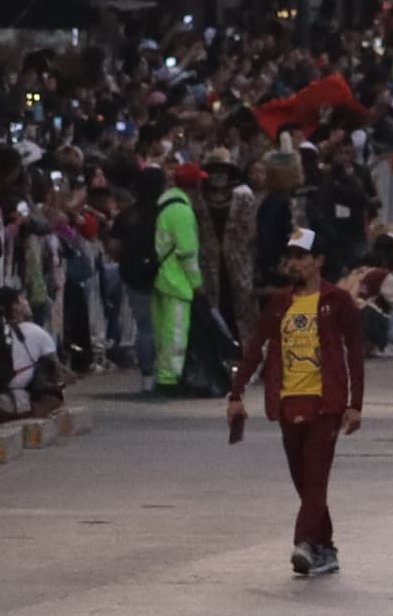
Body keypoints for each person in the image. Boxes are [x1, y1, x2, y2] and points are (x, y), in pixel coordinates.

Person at [232, 236, 365, 578]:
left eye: (301, 256)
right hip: (287, 403)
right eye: (290, 256)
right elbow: (255, 349)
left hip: (326, 405)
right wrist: (236, 394)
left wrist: (354, 404)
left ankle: (304, 544)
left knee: (316, 477)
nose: (293, 263)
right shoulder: (278, 303)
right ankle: (327, 548)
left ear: (318, 260)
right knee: (304, 482)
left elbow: (354, 354)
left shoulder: (337, 301)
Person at [147, 165, 203, 396]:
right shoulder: (182, 211)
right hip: (176, 280)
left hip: (159, 276)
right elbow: (187, 252)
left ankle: (163, 374)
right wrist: (197, 283)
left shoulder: (163, 205)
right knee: (176, 333)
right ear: (195, 186)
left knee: (162, 332)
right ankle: (170, 379)